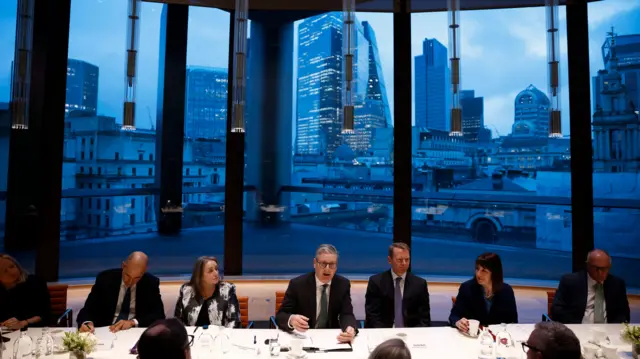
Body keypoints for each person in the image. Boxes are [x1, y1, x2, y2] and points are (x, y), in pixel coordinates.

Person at [275, 244, 358, 343]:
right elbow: (281, 316)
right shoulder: (298, 284)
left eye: (332, 264)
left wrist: (350, 328)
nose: (327, 269)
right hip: (303, 337)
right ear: (315, 263)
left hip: (332, 339)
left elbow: (347, 313)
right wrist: (291, 319)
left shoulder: (342, 284)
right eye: (323, 264)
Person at [77, 251, 165, 332]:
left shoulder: (150, 283)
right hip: (106, 330)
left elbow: (159, 315)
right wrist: (87, 323)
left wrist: (132, 322)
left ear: (143, 272)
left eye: (136, 278)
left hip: (133, 332)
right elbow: (88, 308)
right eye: (127, 276)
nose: (130, 282)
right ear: (123, 266)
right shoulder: (105, 279)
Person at [551, 249, 630, 324]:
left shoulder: (617, 284)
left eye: (605, 268)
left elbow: (623, 314)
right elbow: (557, 310)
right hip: (578, 330)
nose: (600, 273)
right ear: (587, 265)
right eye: (597, 268)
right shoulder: (570, 281)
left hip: (608, 332)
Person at [365, 243, 431, 328]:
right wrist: (385, 334)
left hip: (412, 333)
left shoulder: (420, 284)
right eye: (400, 260)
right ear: (389, 260)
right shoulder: (376, 282)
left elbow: (424, 319)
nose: (404, 263)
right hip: (382, 332)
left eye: (407, 260)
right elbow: (372, 316)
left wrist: (415, 334)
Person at [449, 252, 518, 331]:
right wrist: (458, 322)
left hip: (497, 338)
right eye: (477, 269)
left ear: (495, 273)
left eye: (484, 271)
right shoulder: (467, 288)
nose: (478, 274)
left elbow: (513, 322)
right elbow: (454, 316)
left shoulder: (507, 291)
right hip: (472, 337)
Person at [174, 256, 241, 328]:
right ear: (200, 275)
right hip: (192, 337)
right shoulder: (186, 290)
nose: (216, 273)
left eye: (216, 269)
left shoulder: (227, 289)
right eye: (210, 271)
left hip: (220, 337)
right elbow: (178, 320)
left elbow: (234, 321)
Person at [0, 254, 50, 328]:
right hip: (6, 333)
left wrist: (23, 323)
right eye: (5, 271)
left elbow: (44, 315)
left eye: (12, 266)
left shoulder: (34, 282)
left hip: (34, 329)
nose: (11, 272)